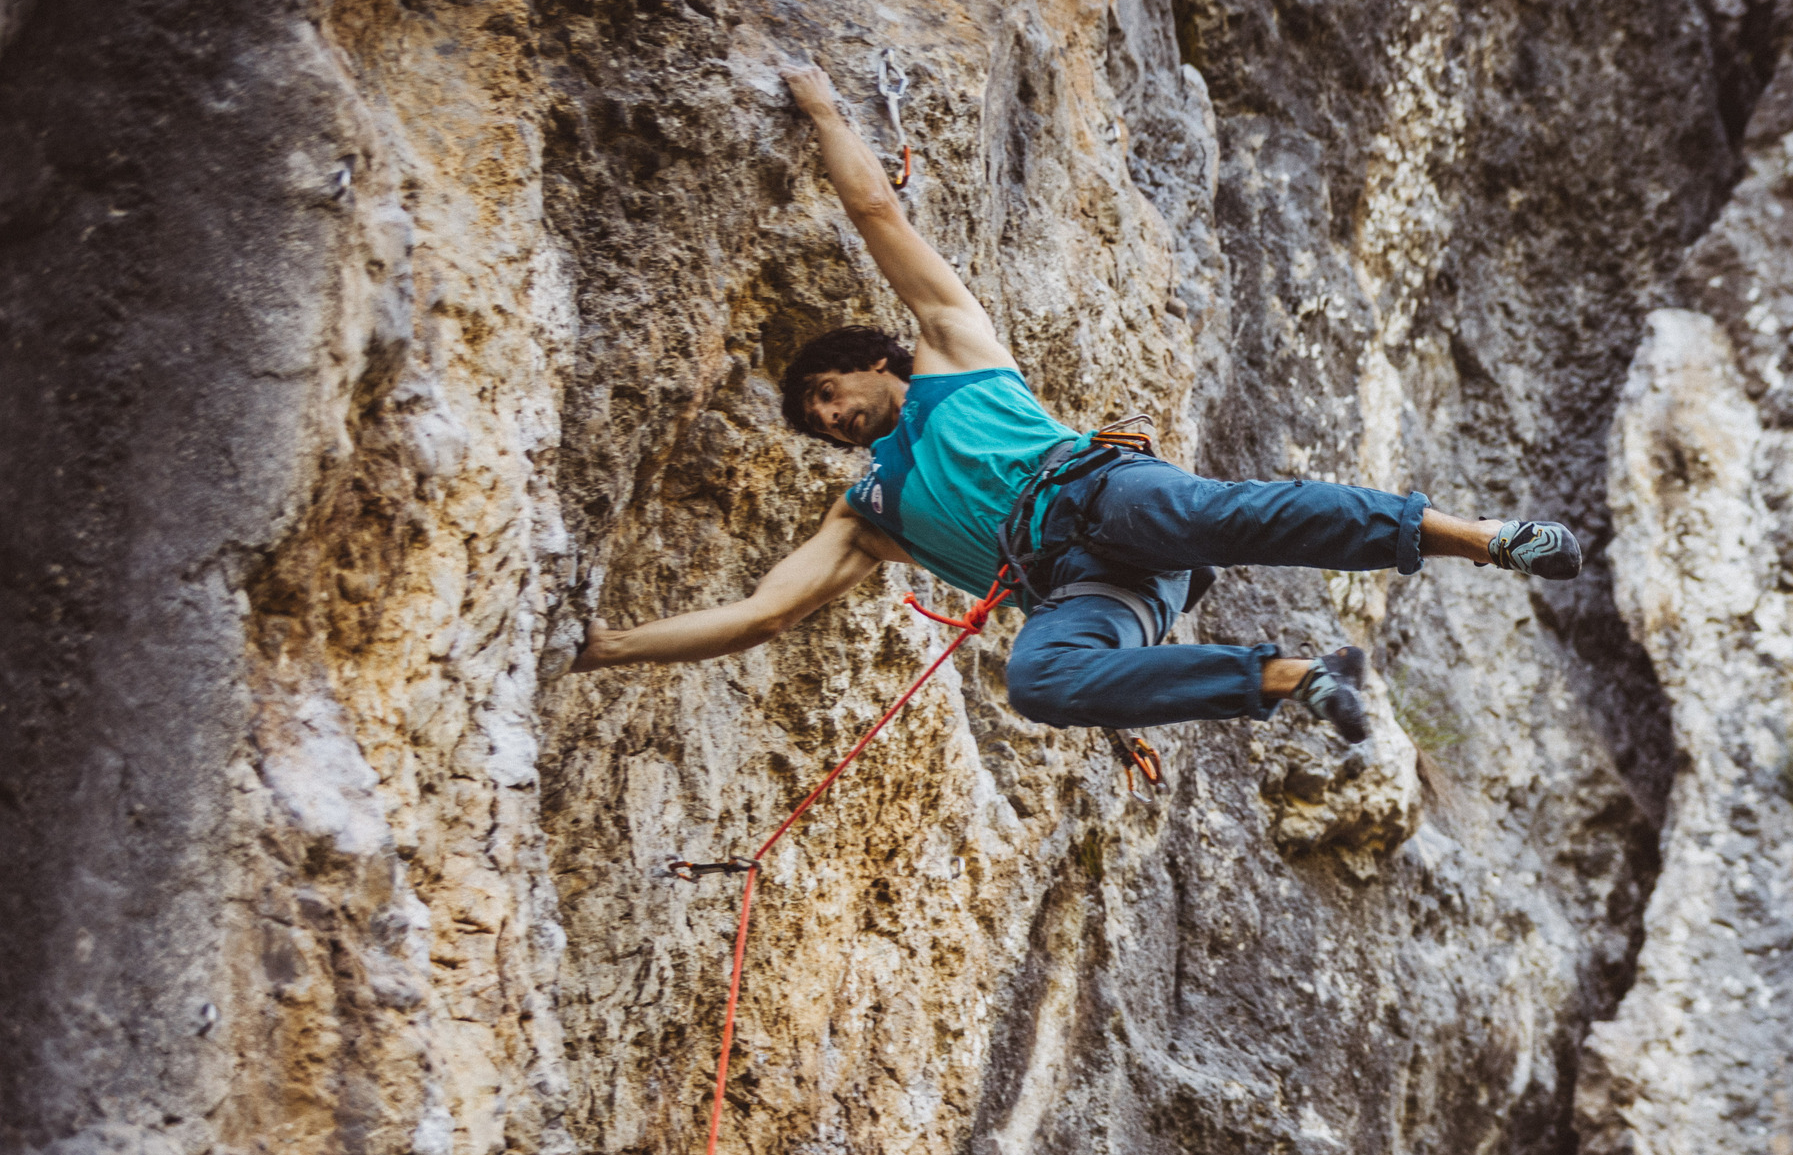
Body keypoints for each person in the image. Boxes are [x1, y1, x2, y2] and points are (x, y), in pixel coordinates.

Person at [571, 61, 1584, 746]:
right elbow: (759, 616)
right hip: (1079, 590)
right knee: (1039, 683)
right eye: (816, 421)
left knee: (1221, 513)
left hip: (1106, 498)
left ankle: (1488, 539)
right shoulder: (864, 515)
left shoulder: (949, 352)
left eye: (829, 392)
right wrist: (602, 647)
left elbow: (875, 209)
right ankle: (1284, 680)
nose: (829, 418)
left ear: (878, 360)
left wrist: (827, 113)